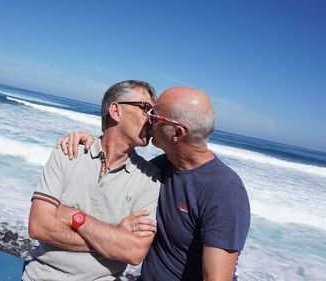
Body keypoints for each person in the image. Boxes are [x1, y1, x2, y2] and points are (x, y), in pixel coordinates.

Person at [59, 87, 251, 281]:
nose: (147, 121)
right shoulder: (163, 166)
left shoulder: (225, 191)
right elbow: (117, 172)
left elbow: (217, 278)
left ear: (177, 132)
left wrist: (72, 216)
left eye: (154, 116)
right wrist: (93, 144)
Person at [22, 80, 162, 281]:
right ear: (116, 110)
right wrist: (113, 238)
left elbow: (133, 252)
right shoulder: (69, 152)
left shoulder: (150, 178)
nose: (152, 119)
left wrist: (75, 217)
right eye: (146, 109)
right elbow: (38, 226)